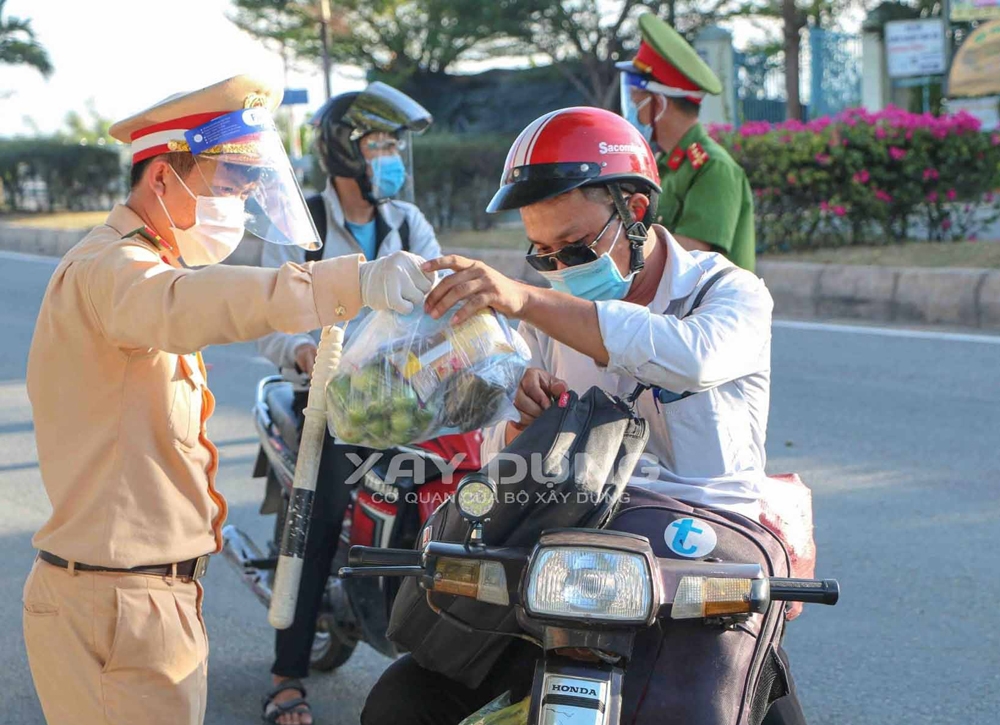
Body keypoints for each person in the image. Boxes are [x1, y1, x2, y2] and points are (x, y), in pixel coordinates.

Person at [361, 107, 805, 725]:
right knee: (403, 703)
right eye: (542, 255)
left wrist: (525, 295)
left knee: (732, 705)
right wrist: (518, 422)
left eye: (573, 246)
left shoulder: (730, 293)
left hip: (697, 557)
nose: (561, 268)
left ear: (637, 212)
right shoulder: (553, 309)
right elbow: (504, 449)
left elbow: (692, 356)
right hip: (572, 556)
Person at [21, 74, 435, 725]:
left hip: (145, 598)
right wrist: (351, 281)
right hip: (117, 605)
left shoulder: (144, 265)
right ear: (162, 180)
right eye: (230, 185)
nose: (241, 205)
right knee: (317, 514)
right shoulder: (114, 270)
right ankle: (287, 670)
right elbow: (207, 302)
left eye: (249, 188)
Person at [256, 82, 440, 725]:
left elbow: (436, 301)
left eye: (395, 146)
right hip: (329, 405)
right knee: (316, 514)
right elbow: (269, 315)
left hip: (407, 401)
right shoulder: (301, 223)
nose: (391, 157)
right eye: (379, 144)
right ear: (344, 151)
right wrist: (307, 353)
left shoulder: (406, 221)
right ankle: (286, 677)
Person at [618, 13, 757, 272]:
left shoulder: (713, 168)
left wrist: (614, 244)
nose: (632, 114)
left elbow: (691, 254)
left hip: (708, 311)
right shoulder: (663, 163)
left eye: (637, 103)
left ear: (659, 103)